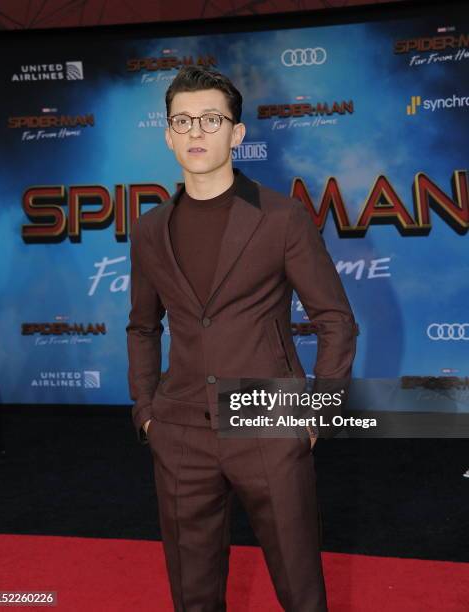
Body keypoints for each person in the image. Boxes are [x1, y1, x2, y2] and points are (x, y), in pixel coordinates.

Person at [126, 65, 358, 612]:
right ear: (167, 135)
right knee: (193, 594)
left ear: (237, 133)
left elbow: (335, 320)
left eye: (211, 119)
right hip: (179, 429)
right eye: (182, 120)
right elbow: (142, 326)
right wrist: (147, 413)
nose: (196, 132)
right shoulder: (150, 229)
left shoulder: (281, 218)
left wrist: (318, 416)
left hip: (267, 419)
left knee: (301, 590)